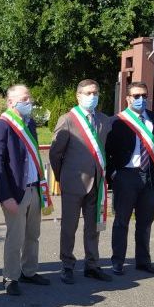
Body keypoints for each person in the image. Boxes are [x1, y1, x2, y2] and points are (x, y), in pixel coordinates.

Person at [0, 84, 53, 295]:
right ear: (10, 102)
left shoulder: (30, 123)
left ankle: (29, 271)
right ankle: (10, 276)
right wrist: (5, 196)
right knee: (15, 236)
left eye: (29, 98)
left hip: (34, 188)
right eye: (24, 99)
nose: (29, 102)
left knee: (33, 234)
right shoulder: (2, 125)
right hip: (15, 192)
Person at [49, 79, 112, 284]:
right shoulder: (67, 119)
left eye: (95, 92)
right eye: (87, 93)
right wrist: (62, 177)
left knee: (94, 226)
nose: (92, 96)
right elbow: (55, 154)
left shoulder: (104, 120)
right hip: (73, 182)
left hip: (97, 182)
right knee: (69, 227)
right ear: (78, 96)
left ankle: (92, 265)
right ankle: (67, 265)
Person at [105, 81, 154, 276]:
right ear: (128, 98)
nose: (141, 99)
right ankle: (118, 262)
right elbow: (107, 151)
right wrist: (114, 173)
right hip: (126, 176)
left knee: (145, 222)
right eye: (137, 96)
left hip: (149, 176)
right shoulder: (117, 121)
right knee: (122, 221)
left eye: (144, 96)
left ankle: (143, 261)